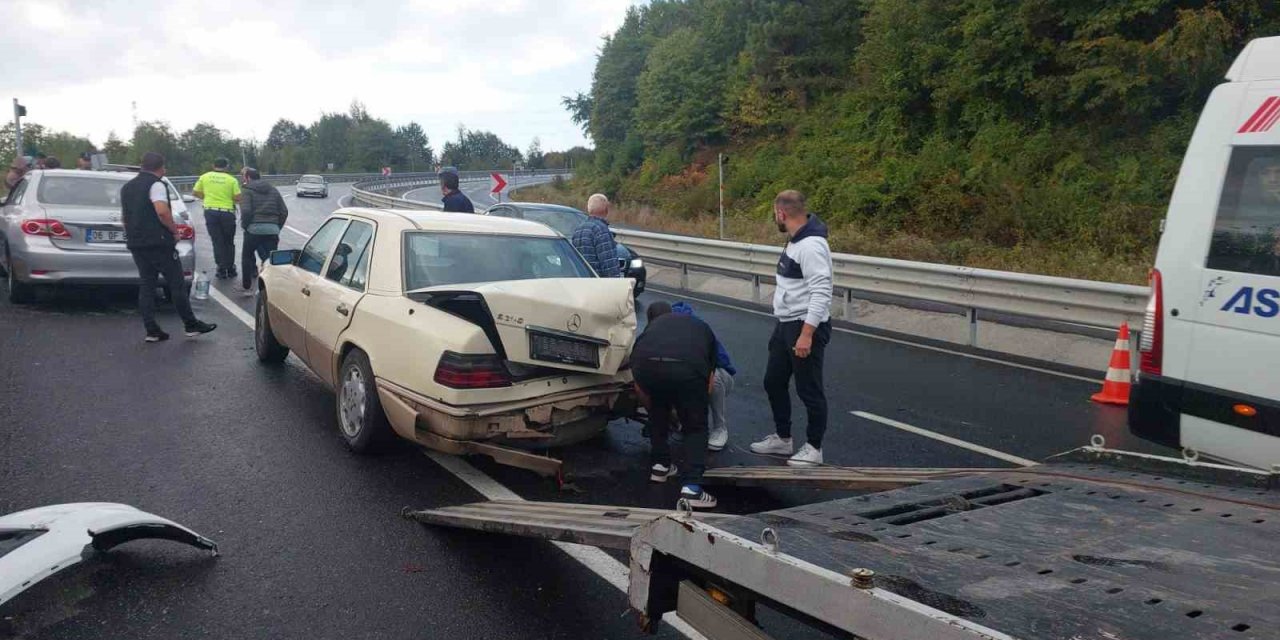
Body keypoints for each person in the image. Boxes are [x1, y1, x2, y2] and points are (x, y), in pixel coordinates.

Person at [750, 190, 833, 467]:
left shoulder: (811, 246)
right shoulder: (795, 240)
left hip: (804, 325)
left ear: (781, 213)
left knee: (809, 389)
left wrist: (807, 334)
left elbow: (821, 291)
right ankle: (783, 439)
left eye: (775, 214)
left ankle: (814, 448)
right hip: (785, 323)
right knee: (773, 381)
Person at [121, 152, 216, 342]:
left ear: (142, 165)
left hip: (136, 242)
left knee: (147, 285)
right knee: (176, 283)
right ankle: (190, 324)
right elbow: (162, 212)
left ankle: (151, 330)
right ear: (161, 167)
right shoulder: (156, 185)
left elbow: (125, 216)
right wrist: (174, 231)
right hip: (158, 242)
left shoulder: (127, 187)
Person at [632, 301, 719, 509]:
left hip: (646, 366)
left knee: (657, 410)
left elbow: (639, 385)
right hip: (688, 367)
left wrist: (655, 409)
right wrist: (692, 409)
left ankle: (660, 466)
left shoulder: (650, 330)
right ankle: (692, 488)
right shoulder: (699, 327)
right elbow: (709, 382)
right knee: (696, 427)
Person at [671, 301, 736, 451]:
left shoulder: (702, 334)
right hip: (687, 378)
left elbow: (718, 363)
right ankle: (683, 422)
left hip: (715, 376)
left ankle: (720, 428)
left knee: (714, 377)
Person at [239, 167, 288, 294]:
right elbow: (284, 211)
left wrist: (246, 225)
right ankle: (270, 288)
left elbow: (246, 211)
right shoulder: (273, 190)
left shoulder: (247, 190)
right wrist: (277, 227)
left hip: (253, 229)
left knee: (246, 256)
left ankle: (247, 287)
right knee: (270, 259)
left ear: (248, 177)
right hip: (272, 229)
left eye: (244, 176)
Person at [193, 157, 242, 279]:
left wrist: (207, 198)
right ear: (226, 167)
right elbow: (238, 197)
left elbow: (195, 192)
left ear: (213, 165)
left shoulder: (204, 177)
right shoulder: (231, 180)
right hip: (227, 213)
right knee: (228, 242)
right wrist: (228, 198)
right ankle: (230, 268)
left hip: (210, 212)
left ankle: (221, 268)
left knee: (217, 241)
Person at [571, 193, 621, 277]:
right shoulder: (601, 230)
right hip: (597, 280)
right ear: (606, 209)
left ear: (589, 209)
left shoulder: (578, 230)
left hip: (582, 279)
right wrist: (615, 281)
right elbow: (609, 264)